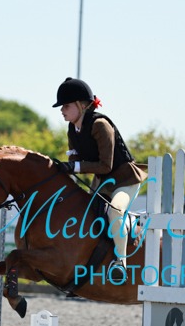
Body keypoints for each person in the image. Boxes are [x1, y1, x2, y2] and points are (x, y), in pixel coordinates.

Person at [53, 77, 147, 283]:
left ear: (81, 105)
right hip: (103, 182)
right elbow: (76, 160)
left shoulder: (100, 125)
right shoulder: (73, 129)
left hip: (125, 179)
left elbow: (105, 165)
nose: (62, 110)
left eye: (66, 106)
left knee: (115, 210)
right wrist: (64, 167)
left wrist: (74, 167)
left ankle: (120, 262)